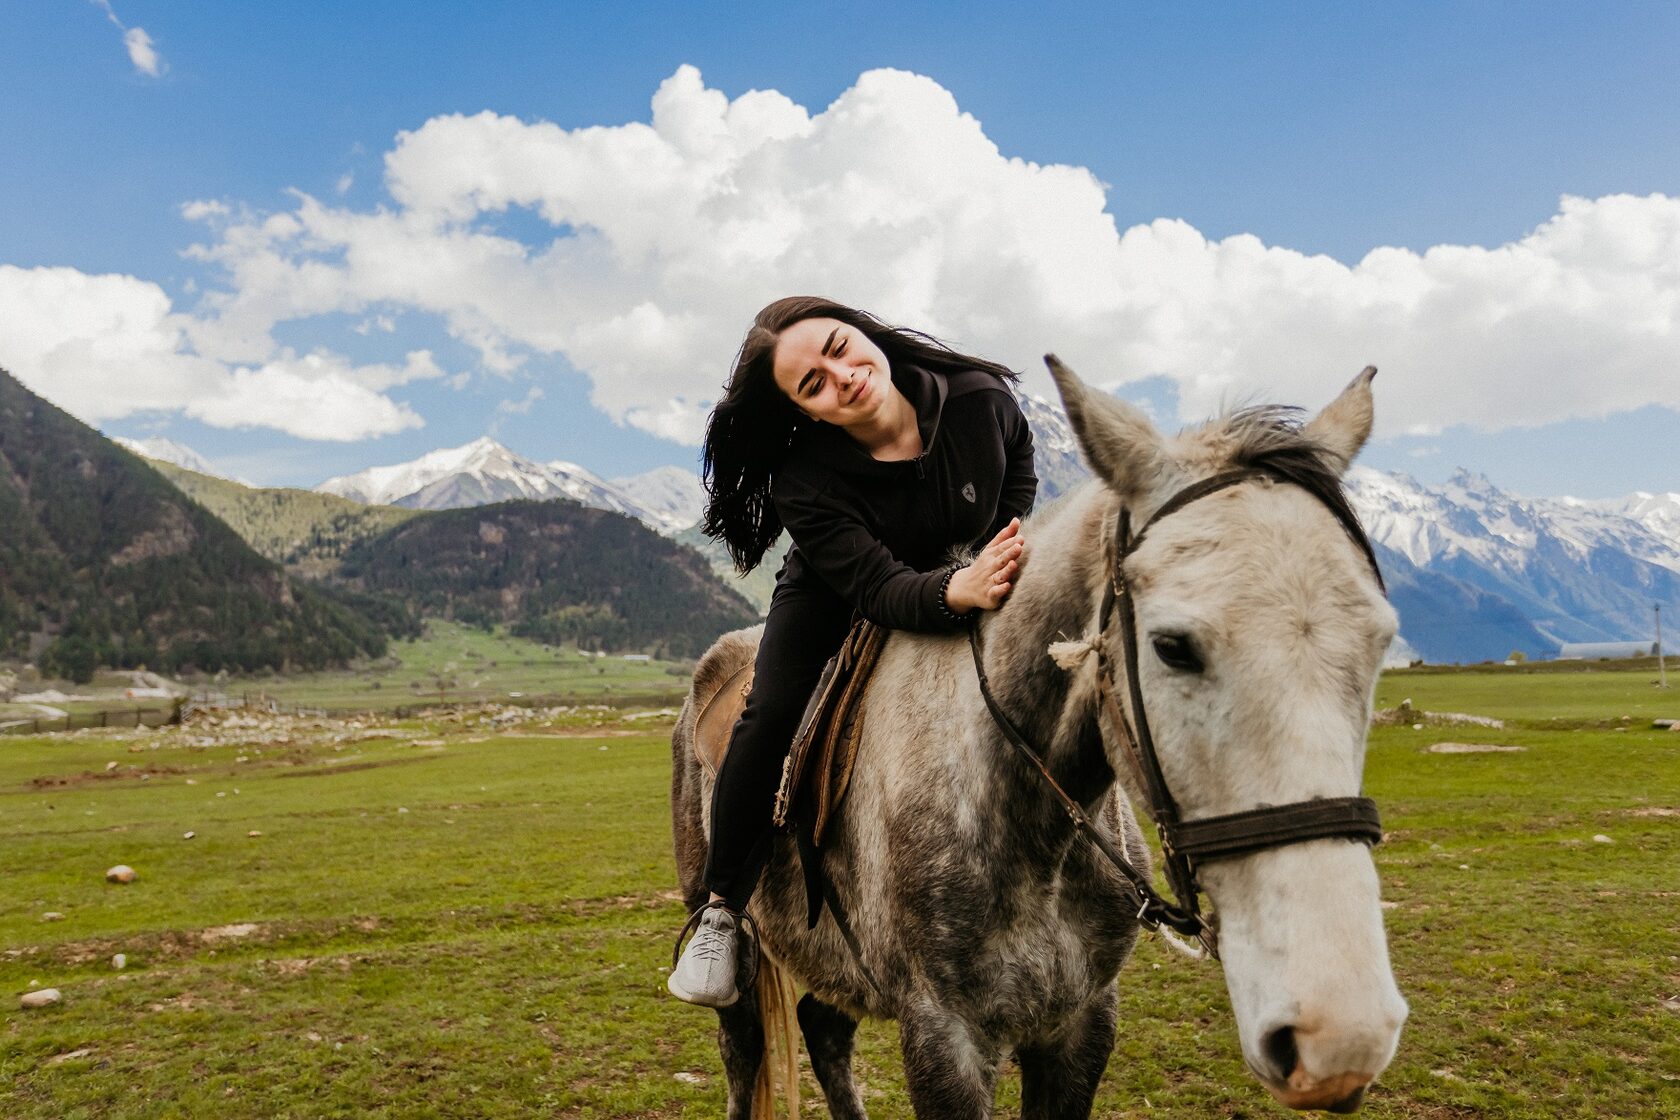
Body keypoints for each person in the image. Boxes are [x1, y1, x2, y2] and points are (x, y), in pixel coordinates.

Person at [667, 295, 1037, 1007]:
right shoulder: (805, 481)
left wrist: (1000, 544)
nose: (841, 376)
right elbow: (877, 586)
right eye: (813, 384)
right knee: (770, 715)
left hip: (966, 565)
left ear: (862, 332)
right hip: (842, 589)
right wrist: (951, 593)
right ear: (808, 412)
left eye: (839, 348)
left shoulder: (979, 400)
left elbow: (1016, 460)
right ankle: (722, 911)